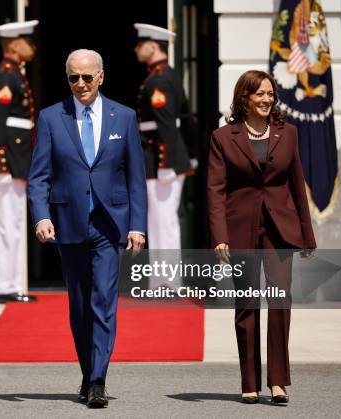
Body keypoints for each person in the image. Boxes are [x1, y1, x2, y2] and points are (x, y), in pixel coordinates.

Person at [27, 49, 147, 408]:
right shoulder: (51, 118)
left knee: (104, 303)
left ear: (101, 76)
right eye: (73, 78)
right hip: (68, 223)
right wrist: (41, 216)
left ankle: (98, 378)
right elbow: (38, 177)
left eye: (87, 77)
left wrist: (137, 225)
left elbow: (136, 178)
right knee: (79, 305)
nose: (80, 84)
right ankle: (87, 370)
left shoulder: (123, 117)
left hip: (109, 225)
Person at [207, 70, 316, 404]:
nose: (267, 99)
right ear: (245, 98)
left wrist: (307, 235)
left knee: (281, 301)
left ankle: (278, 381)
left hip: (280, 231)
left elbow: (298, 186)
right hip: (241, 230)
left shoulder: (289, 134)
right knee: (247, 305)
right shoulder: (223, 137)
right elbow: (216, 191)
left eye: (270, 94)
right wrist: (220, 236)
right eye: (260, 94)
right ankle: (250, 380)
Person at [0, 20, 39, 304]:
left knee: (13, 224)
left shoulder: (15, 74)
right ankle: (1, 285)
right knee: (7, 224)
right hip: (7, 164)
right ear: (14, 44)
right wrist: (2, 162)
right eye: (28, 41)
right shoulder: (5, 76)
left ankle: (11, 283)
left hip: (16, 163)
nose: (33, 46)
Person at [133, 23, 196, 255]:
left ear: (152, 46)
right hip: (162, 156)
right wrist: (192, 154)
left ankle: (167, 282)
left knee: (163, 221)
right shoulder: (165, 75)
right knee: (158, 221)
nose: (136, 50)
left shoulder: (159, 80)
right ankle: (163, 281)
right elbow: (186, 117)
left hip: (162, 158)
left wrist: (166, 163)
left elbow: (167, 124)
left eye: (140, 45)